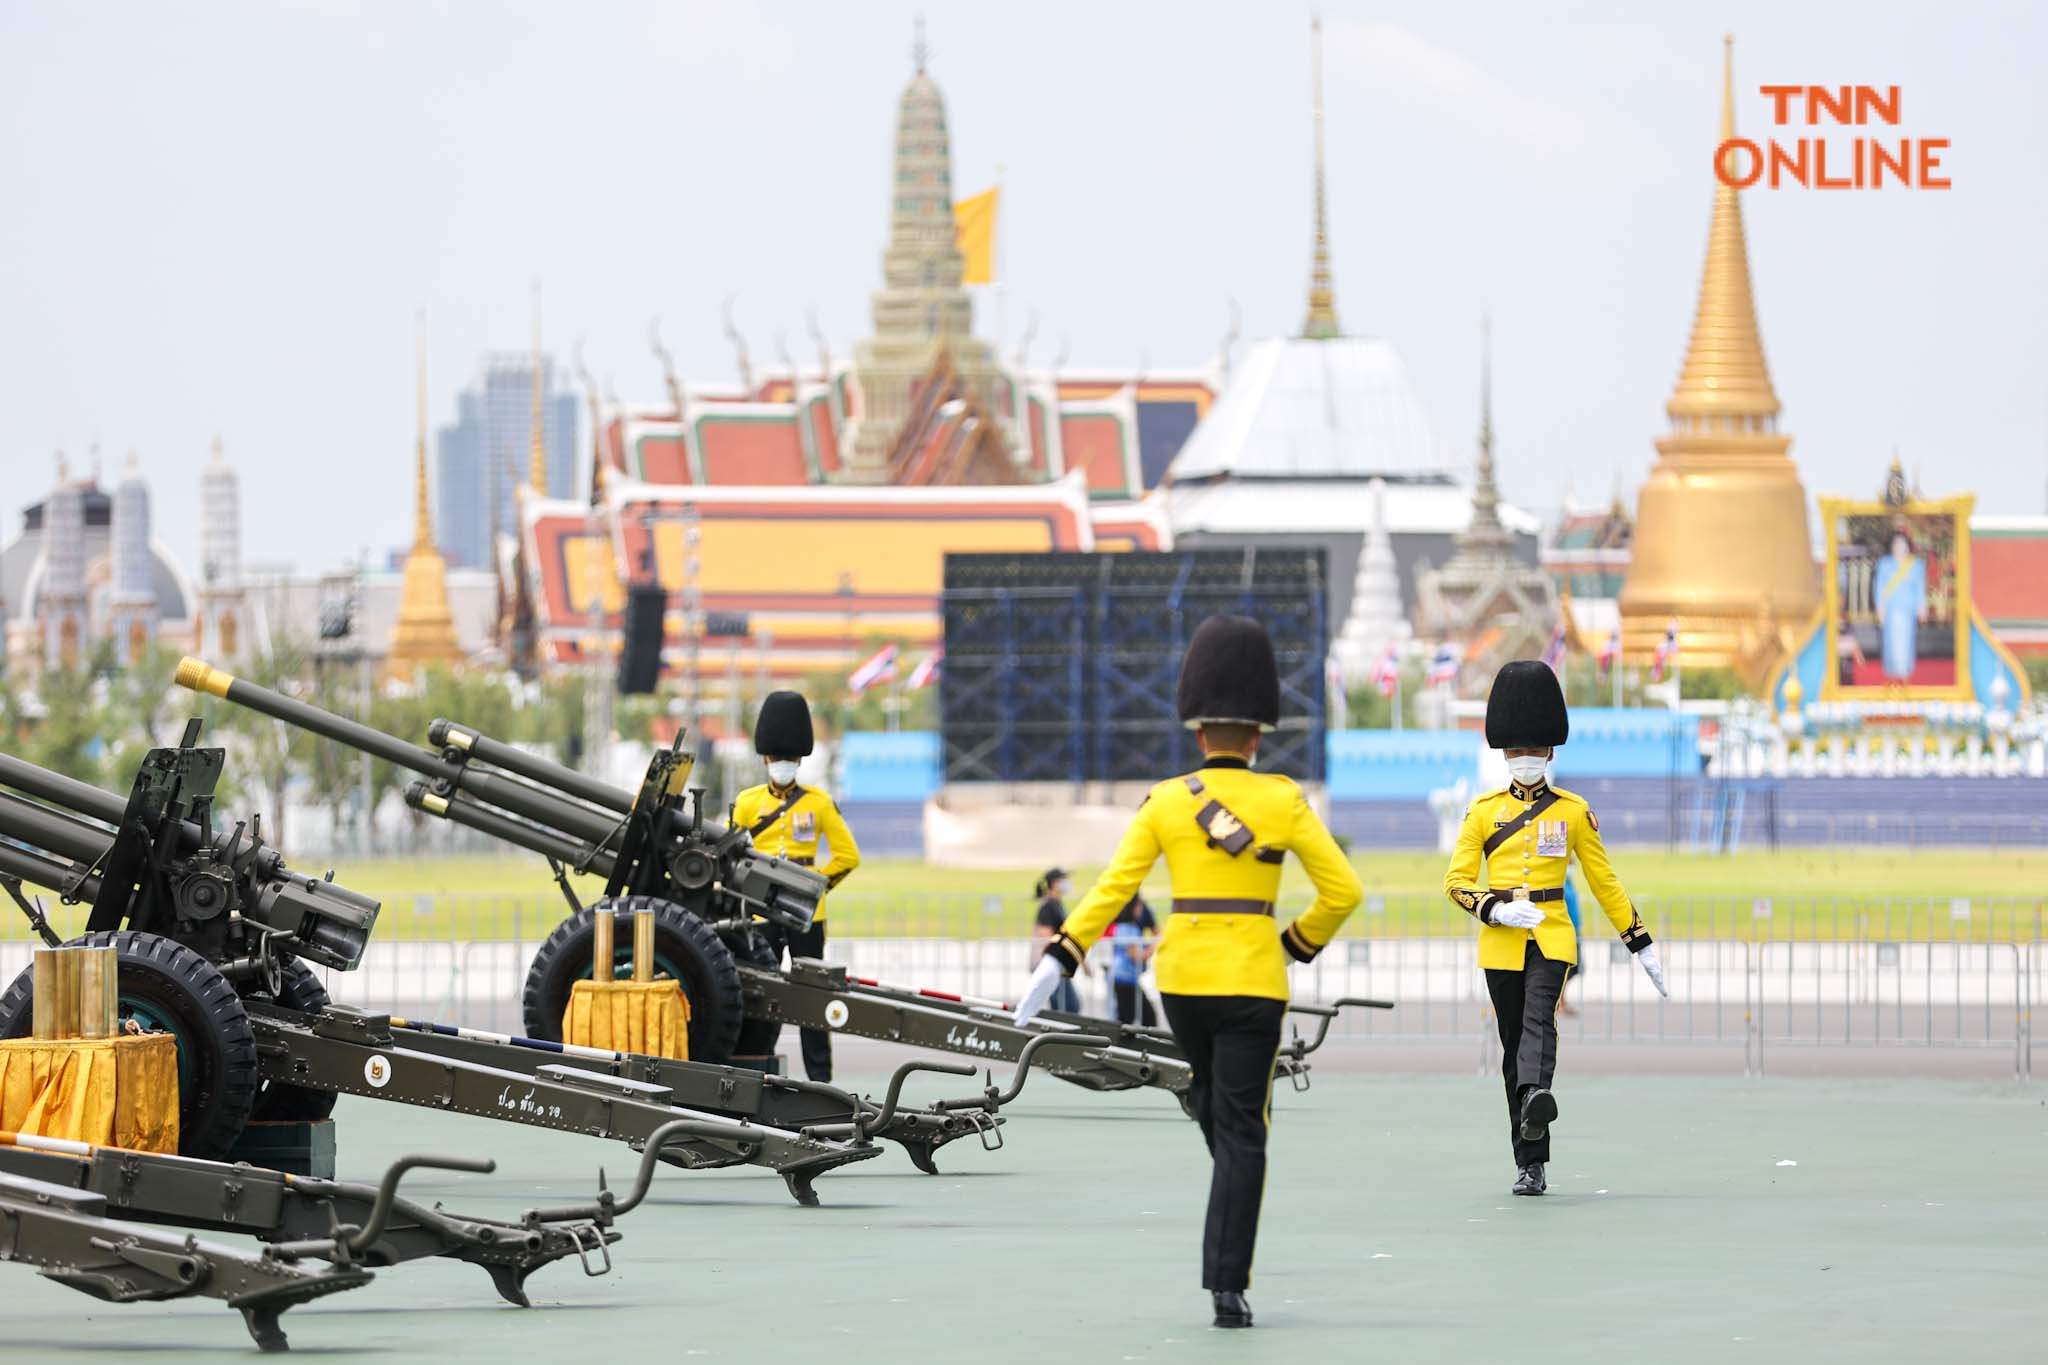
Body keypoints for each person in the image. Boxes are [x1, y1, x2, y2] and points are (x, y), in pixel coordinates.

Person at [1013, 615, 1363, 1330]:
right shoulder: (1285, 800)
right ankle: (1227, 1286)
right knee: (1244, 1133)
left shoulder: (1168, 800)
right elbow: (1344, 892)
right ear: (1258, 735)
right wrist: (1294, 943)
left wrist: (1059, 957)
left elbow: (1112, 888)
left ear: (1197, 732)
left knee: (1217, 1111)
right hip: (1254, 983)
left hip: (1180, 985)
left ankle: (1226, 1205)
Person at [1444, 660, 1667, 1198]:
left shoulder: (1573, 813)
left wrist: (1639, 940)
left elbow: (1604, 881)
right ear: (1504, 754)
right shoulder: (1482, 813)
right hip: (1500, 939)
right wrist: (1494, 909)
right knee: (1512, 1043)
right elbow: (1455, 881)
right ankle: (1529, 1156)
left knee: (1539, 1021)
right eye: (1516, 751)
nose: (1524, 758)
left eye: (1533, 750)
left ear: (1549, 752)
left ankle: (1535, 1097)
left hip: (1551, 934)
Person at [732, 690, 861, 1082]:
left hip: (807, 912)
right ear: (765, 758)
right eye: (777, 759)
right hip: (760, 910)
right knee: (760, 994)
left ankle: (819, 1080)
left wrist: (818, 886)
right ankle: (759, 1070)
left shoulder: (818, 803)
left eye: (787, 759)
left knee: (811, 997)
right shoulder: (746, 802)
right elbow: (732, 855)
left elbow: (847, 856)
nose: (782, 766)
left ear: (799, 760)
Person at [1874, 528, 1926, 681]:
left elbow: (1920, 587)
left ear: (1908, 546)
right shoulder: (1884, 564)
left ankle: (1904, 673)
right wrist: (1879, 607)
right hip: (1890, 609)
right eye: (1897, 544)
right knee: (1891, 641)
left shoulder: (1916, 565)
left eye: (1903, 544)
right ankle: (1891, 673)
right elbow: (1879, 587)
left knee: (1906, 642)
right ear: (1892, 546)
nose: (1900, 547)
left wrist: (1921, 607)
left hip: (1908, 609)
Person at [1031, 869, 1083, 1016]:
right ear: (1055, 883)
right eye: (1064, 879)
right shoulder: (1048, 906)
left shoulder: (1057, 904)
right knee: (1067, 1008)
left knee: (1067, 1006)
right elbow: (1046, 936)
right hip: (1053, 964)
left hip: (1059, 964)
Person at [1106, 894, 1160, 1025]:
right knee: (1139, 1018)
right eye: (1139, 906)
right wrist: (1155, 945)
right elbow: (1136, 955)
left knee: (1129, 1018)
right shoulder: (1127, 928)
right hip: (1124, 980)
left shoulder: (1127, 927)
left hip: (1127, 979)